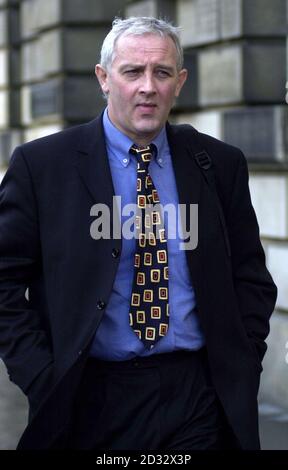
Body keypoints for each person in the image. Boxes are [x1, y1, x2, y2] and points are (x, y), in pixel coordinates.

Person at [0, 16, 277, 450]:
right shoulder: (43, 167)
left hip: (198, 397)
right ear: (104, 78)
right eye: (133, 72)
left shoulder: (219, 164)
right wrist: (40, 373)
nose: (148, 86)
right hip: (89, 399)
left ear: (179, 81)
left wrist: (242, 360)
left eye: (162, 72)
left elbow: (250, 275)